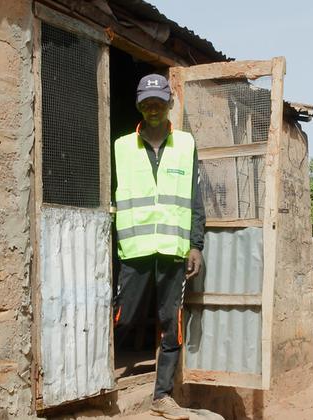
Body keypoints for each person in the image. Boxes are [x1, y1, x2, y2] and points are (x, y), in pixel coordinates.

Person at [112, 74, 205, 420]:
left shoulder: (186, 145)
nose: (153, 108)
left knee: (171, 321)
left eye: (159, 102)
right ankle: (99, 377)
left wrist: (196, 245)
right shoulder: (121, 146)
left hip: (173, 248)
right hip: (134, 249)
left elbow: (196, 199)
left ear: (169, 105)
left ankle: (161, 395)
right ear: (139, 105)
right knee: (125, 314)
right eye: (147, 102)